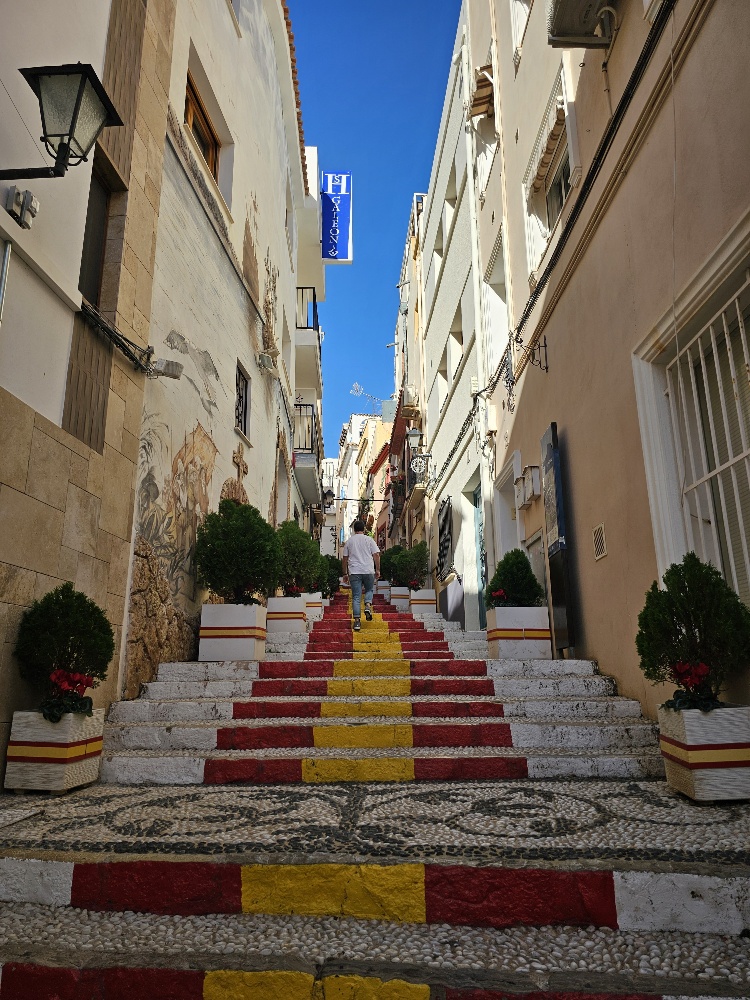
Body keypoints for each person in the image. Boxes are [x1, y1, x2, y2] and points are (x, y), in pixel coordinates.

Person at [342, 520, 381, 631]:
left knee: (356, 597)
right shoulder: (369, 540)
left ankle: (357, 622)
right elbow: (377, 555)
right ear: (364, 529)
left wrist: (345, 573)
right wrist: (377, 569)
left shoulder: (349, 541)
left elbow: (345, 558)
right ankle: (368, 605)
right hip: (368, 570)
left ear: (354, 530)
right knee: (369, 590)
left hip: (354, 572)